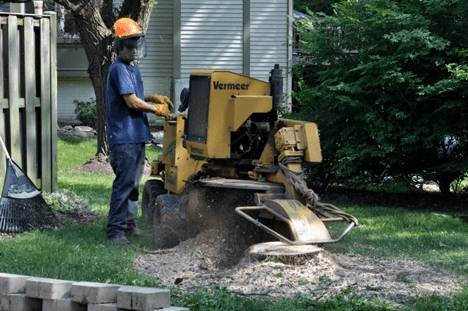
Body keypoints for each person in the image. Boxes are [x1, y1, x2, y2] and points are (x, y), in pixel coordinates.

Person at [106, 18, 173, 245]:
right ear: (118, 45)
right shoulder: (118, 69)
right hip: (123, 136)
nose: (134, 50)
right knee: (124, 184)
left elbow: (135, 95)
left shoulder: (132, 67)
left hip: (136, 134)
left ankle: (130, 226)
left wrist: (152, 96)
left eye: (137, 45)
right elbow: (131, 102)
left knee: (134, 185)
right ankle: (115, 231)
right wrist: (156, 109)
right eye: (130, 45)